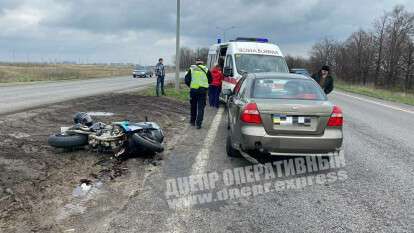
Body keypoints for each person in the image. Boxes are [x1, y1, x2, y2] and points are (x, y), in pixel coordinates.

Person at [185, 58, 212, 129]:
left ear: (196, 63)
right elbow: (210, 80)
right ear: (202, 63)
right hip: (202, 91)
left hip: (193, 91)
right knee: (201, 108)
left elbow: (186, 80)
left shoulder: (192, 69)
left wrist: (190, 86)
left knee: (193, 106)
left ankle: (192, 121)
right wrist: (205, 85)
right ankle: (198, 124)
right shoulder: (206, 69)